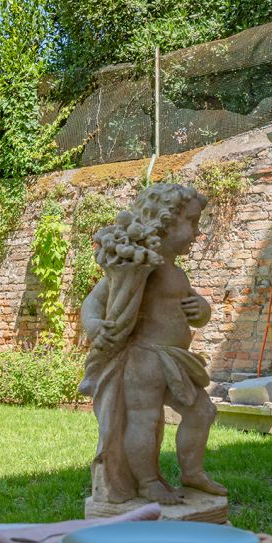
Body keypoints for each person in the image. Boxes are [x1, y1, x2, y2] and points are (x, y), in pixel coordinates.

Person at [80, 182, 226, 506]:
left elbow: (193, 312)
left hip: (174, 359)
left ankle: (192, 472)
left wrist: (202, 309)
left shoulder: (176, 272)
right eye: (191, 221)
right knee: (143, 420)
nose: (196, 231)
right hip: (144, 360)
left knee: (202, 411)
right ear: (165, 221)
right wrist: (94, 326)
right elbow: (94, 301)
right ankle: (147, 482)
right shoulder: (139, 265)